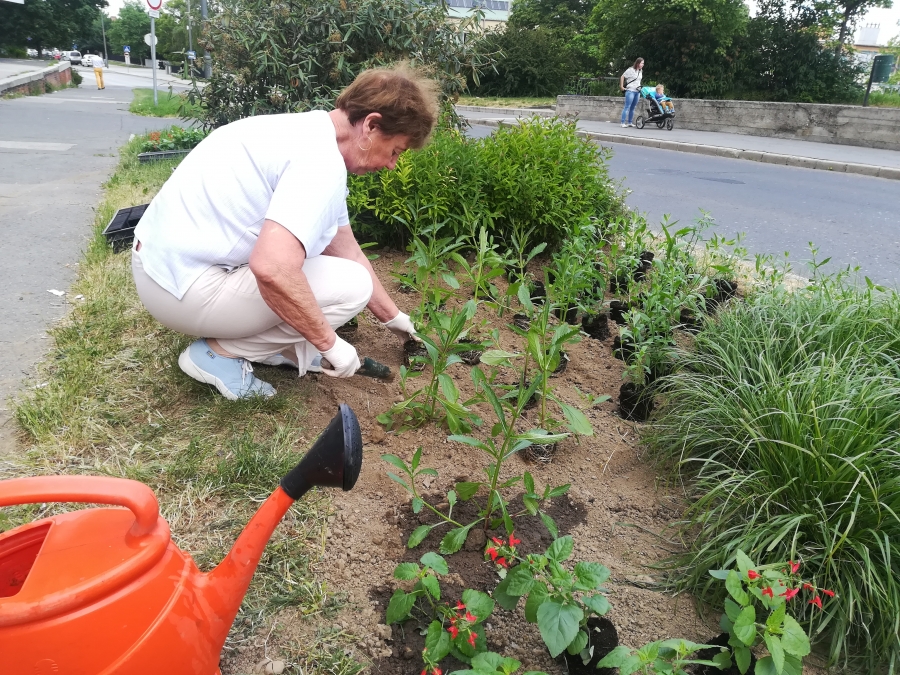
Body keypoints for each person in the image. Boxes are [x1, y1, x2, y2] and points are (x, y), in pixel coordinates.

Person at [131, 64, 439, 400]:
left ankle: (274, 349)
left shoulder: (305, 133)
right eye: (395, 151)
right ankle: (219, 354)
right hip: (181, 290)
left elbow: (346, 249)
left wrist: (397, 322)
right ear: (371, 125)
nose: (393, 164)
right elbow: (272, 268)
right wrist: (331, 345)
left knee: (347, 275)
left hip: (161, 267)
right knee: (351, 287)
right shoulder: (319, 164)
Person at [619, 58, 644, 128]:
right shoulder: (630, 70)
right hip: (630, 90)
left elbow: (638, 81)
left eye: (643, 63)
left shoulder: (640, 71)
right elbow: (622, 76)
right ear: (638, 63)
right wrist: (621, 86)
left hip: (637, 91)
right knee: (627, 106)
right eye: (642, 63)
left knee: (633, 107)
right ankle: (622, 122)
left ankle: (630, 122)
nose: (643, 65)